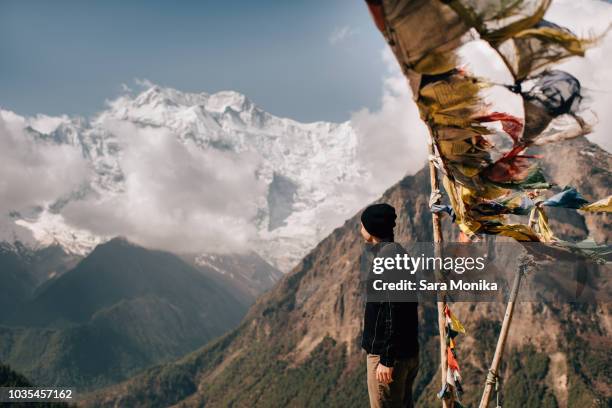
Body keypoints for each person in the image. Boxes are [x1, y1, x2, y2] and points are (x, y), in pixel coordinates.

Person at [359, 203, 419, 408]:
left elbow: (395, 309)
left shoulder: (388, 258)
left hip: (388, 357)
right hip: (405, 352)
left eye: (362, 224)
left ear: (371, 229)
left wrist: (387, 358)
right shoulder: (397, 253)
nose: (360, 228)